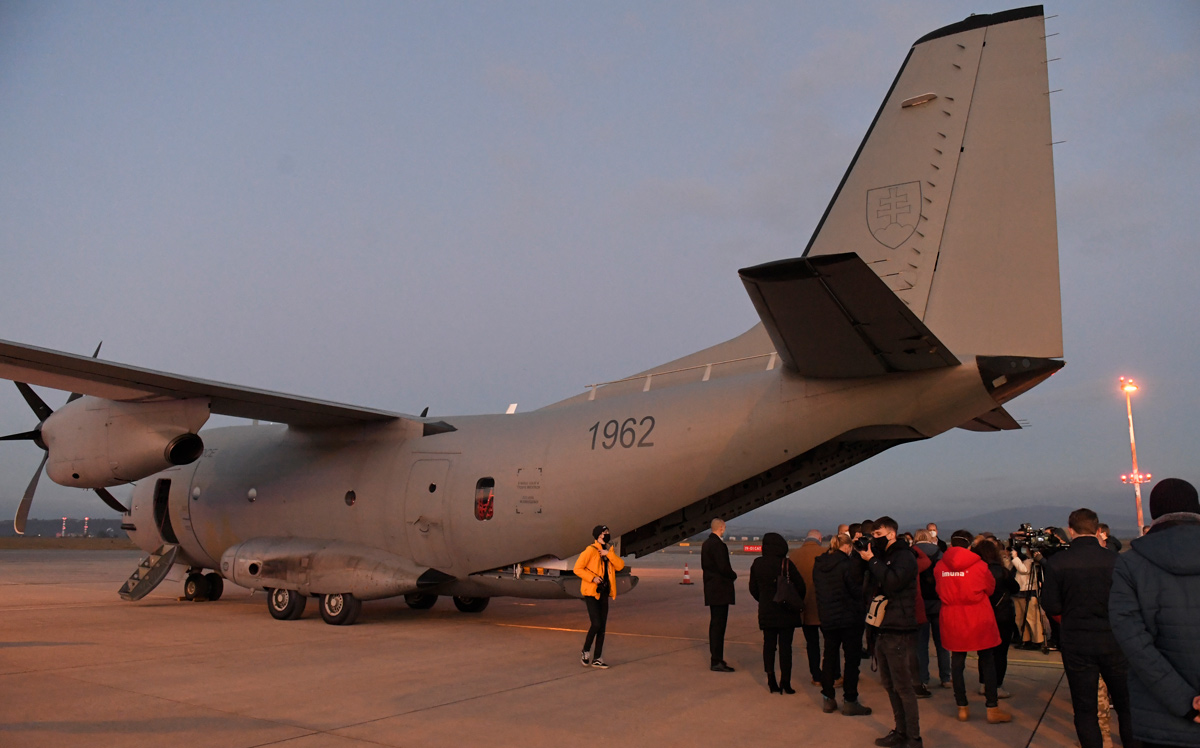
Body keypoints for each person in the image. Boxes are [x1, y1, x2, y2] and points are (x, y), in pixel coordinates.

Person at [1109, 478, 1200, 748]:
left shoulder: (1130, 563)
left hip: (1161, 718)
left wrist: (1185, 702)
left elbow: (1134, 643)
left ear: (1154, 513)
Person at [1041, 508, 1137, 748]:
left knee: (1085, 709)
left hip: (1077, 642)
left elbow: (1050, 604)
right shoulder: (1117, 560)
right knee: (1127, 707)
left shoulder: (1058, 562)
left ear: (1071, 530)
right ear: (1097, 530)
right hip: (1114, 640)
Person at [935, 530, 1011, 724]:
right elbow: (990, 587)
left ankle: (962, 706)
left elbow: (938, 588)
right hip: (978, 615)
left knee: (957, 662)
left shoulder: (940, 566)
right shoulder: (979, 566)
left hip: (952, 616)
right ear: (970, 545)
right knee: (987, 660)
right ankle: (992, 708)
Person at [860, 516, 923, 748]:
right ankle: (900, 731)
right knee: (888, 684)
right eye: (873, 535)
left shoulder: (904, 556)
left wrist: (873, 562)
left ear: (891, 534)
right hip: (882, 627)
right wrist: (866, 559)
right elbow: (866, 587)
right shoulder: (882, 557)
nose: (874, 539)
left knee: (903, 686)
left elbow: (894, 582)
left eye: (878, 535)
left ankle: (913, 738)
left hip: (899, 627)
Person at [813, 533, 872, 716]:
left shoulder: (820, 565)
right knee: (851, 660)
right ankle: (850, 700)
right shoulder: (847, 565)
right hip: (849, 618)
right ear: (847, 548)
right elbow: (855, 591)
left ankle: (828, 698)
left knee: (829, 657)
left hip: (828, 617)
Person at [748, 532, 805, 695]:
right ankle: (786, 682)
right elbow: (801, 586)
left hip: (767, 610)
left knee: (769, 645)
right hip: (786, 611)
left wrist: (764, 599)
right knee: (786, 647)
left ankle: (771, 679)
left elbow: (753, 588)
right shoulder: (786, 563)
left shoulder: (757, 563)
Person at [573, 525, 625, 669]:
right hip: (591, 592)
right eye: (604, 533)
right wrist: (592, 578)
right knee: (596, 623)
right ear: (598, 535)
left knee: (602, 627)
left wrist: (608, 554)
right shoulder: (590, 550)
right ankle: (586, 650)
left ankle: (597, 658)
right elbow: (577, 568)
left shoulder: (609, 551)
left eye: (607, 532)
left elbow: (620, 565)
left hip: (604, 592)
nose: (606, 535)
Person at [975, 537, 1017, 700]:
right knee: (1000, 652)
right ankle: (997, 685)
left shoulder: (978, 570)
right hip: (1002, 614)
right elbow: (1015, 588)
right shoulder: (1001, 571)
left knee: (984, 651)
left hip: (983, 614)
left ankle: (984, 683)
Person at [914, 529, 951, 690]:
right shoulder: (940, 553)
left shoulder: (912, 553)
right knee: (941, 643)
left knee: (921, 644)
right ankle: (946, 677)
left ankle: (923, 678)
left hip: (920, 601)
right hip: (938, 601)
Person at [789, 529, 827, 685]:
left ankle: (816, 675)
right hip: (823, 605)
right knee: (830, 643)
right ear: (820, 538)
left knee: (812, 644)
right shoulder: (825, 553)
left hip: (803, 606)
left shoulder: (794, 555)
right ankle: (833, 673)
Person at [701, 518, 737, 672]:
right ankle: (717, 660)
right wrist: (733, 575)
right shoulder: (718, 545)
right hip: (720, 590)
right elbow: (723, 567)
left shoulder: (706, 544)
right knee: (719, 626)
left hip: (711, 588)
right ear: (721, 528)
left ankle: (716, 658)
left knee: (715, 624)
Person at [1010, 545, 1045, 650]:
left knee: (1032, 618)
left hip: (1029, 590)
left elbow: (1024, 570)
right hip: (1018, 591)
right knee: (1020, 618)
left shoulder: (1030, 561)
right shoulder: (1019, 561)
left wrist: (1015, 558)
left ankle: (1037, 640)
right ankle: (1025, 639)